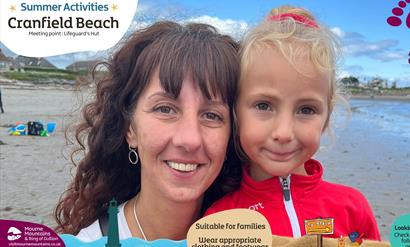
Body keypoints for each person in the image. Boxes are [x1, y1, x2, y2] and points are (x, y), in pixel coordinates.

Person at [205, 5, 381, 240]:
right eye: (264, 105)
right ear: (236, 113)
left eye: (306, 109)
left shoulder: (353, 208)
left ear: (326, 118)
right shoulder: (220, 220)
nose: (284, 133)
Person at [54, 21, 241, 241]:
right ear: (129, 128)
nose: (189, 139)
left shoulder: (263, 233)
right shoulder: (90, 241)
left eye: (212, 115)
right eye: (165, 109)